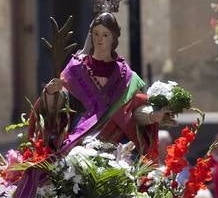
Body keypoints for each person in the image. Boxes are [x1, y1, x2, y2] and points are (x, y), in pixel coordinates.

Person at [41, 11, 165, 160]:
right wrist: (50, 93)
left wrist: (151, 115)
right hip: (79, 143)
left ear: (114, 38)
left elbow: (133, 109)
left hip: (117, 147)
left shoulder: (126, 75)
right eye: (96, 34)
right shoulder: (75, 69)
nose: (99, 39)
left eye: (105, 35)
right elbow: (60, 105)